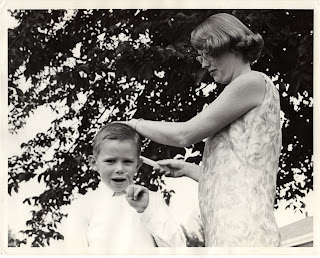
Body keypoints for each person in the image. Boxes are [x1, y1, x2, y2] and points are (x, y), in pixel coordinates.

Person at [122, 13, 282, 247]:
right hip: (234, 232)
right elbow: (239, 178)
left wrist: (134, 124)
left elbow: (184, 135)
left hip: (244, 235)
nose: (204, 64)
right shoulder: (247, 89)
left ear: (229, 46)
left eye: (207, 54)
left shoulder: (251, 82)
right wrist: (188, 169)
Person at [63, 123, 186, 251]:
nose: (119, 169)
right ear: (94, 163)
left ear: (138, 165)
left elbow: (177, 249)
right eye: (110, 161)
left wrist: (147, 210)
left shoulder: (152, 200)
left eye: (127, 161)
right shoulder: (83, 206)